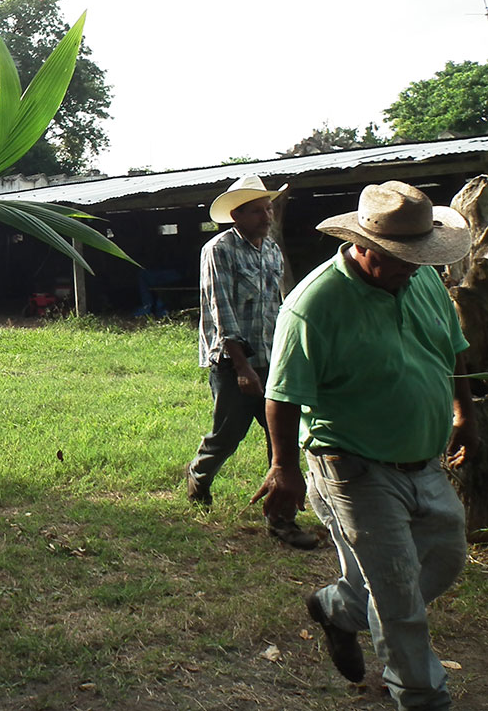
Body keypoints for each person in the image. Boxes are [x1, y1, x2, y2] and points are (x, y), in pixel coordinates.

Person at [253, 181, 478, 710]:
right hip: (352, 466)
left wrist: (465, 415)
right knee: (400, 600)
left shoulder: (422, 282)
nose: (416, 266)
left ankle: (340, 607)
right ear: (365, 247)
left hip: (423, 460)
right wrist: (283, 467)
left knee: (445, 557)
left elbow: (453, 348)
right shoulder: (313, 306)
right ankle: (422, 698)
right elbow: (282, 396)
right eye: (403, 257)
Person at [186, 175, 317, 549]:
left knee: (281, 436)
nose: (267, 215)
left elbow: (280, 304)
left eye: (269, 208)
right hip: (233, 360)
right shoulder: (219, 249)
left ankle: (282, 519)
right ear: (236, 215)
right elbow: (221, 310)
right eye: (258, 210)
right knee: (228, 433)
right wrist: (242, 367)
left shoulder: (272, 250)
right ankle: (199, 474)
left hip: (272, 356)